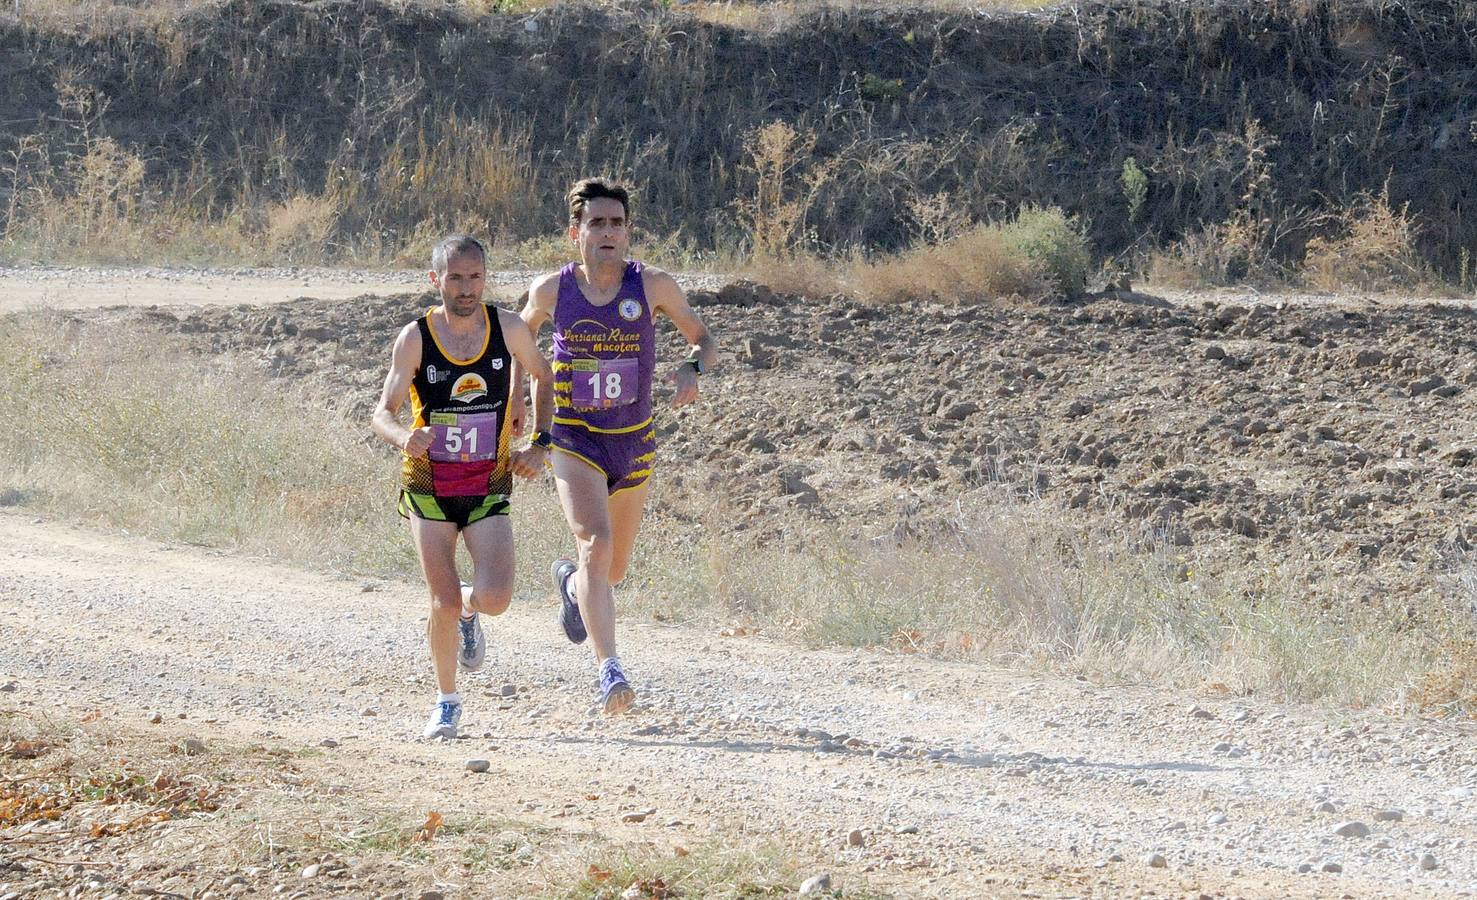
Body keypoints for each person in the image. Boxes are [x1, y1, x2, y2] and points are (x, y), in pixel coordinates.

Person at [518, 178, 717, 715]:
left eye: (616, 223)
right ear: (575, 232)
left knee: (613, 570)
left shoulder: (652, 285)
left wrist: (691, 366)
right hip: (574, 437)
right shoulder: (550, 290)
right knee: (595, 545)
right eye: (596, 223)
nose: (607, 232)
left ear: (628, 231)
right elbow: (520, 340)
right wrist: (522, 401)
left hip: (633, 442)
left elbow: (704, 338)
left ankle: (570, 584)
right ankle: (611, 670)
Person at [372, 234, 554, 739]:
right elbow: (381, 413)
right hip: (429, 486)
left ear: (485, 278)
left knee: (495, 598)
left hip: (488, 483)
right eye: (455, 277)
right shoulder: (415, 338)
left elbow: (544, 374)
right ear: (437, 280)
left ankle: (469, 614)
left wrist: (540, 442)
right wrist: (403, 437)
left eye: (475, 276)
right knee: (442, 600)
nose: (466, 287)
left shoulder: (508, 328)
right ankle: (447, 701)